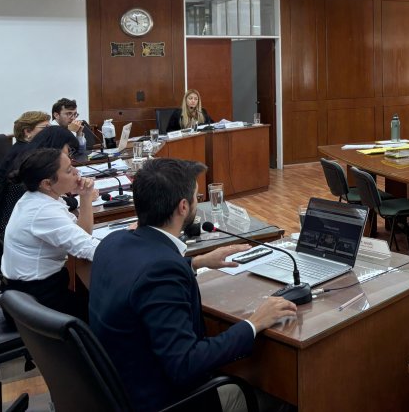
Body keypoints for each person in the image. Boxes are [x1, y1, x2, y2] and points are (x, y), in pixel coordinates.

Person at [89, 158, 298, 412]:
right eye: (197, 197)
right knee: (285, 398)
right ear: (183, 206)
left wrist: (195, 262)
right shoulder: (162, 270)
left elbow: (139, 277)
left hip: (118, 386)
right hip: (164, 401)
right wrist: (253, 324)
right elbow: (185, 363)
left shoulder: (112, 243)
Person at [1, 147, 98, 322]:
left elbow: (82, 234)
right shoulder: (42, 211)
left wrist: (85, 197)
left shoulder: (41, 198)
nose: (77, 172)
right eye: (69, 170)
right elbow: (88, 248)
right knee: (109, 314)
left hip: (26, 293)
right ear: (47, 183)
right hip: (35, 302)